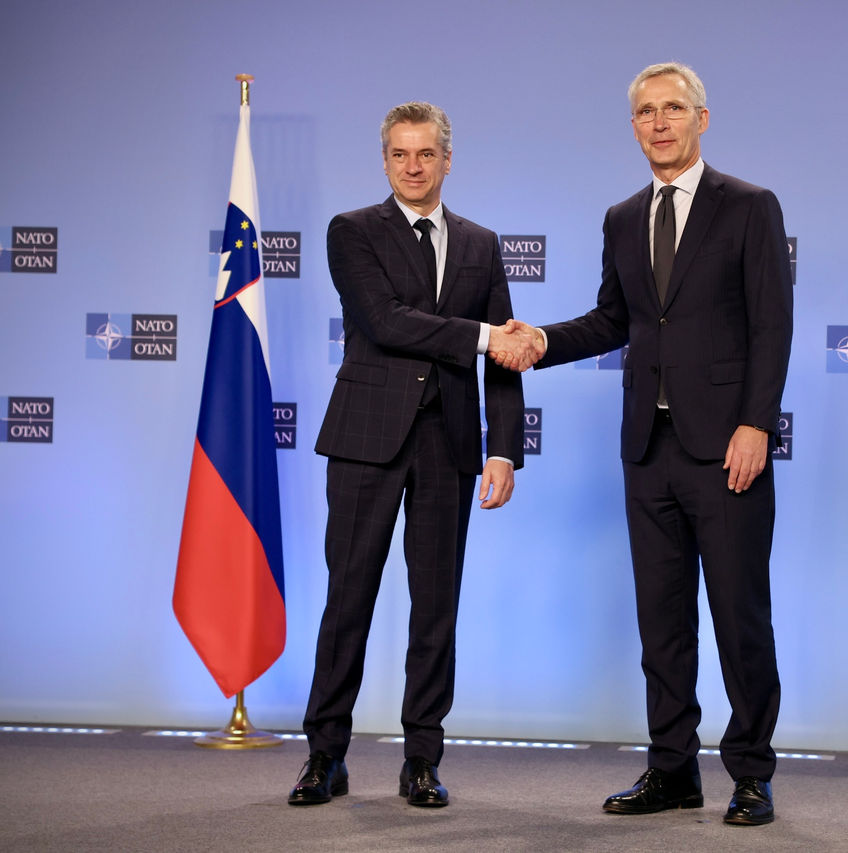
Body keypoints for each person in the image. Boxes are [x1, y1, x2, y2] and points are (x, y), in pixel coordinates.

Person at [498, 62, 793, 826]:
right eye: (644, 113)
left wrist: (756, 423)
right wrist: (539, 340)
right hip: (646, 449)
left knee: (739, 617)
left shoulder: (750, 207)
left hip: (727, 447)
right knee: (661, 621)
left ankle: (752, 774)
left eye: (672, 109)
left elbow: (772, 324)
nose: (658, 123)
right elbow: (612, 321)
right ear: (633, 127)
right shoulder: (622, 216)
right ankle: (672, 770)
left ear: (701, 118)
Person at [289, 101, 535, 808]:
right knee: (349, 601)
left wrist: (504, 451)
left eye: (426, 153)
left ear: (447, 159)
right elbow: (386, 321)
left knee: (436, 608)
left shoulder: (484, 244)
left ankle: (422, 760)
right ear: (386, 160)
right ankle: (324, 757)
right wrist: (488, 336)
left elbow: (504, 369)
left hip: (449, 444)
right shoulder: (353, 232)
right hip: (367, 438)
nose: (413, 166)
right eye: (400, 154)